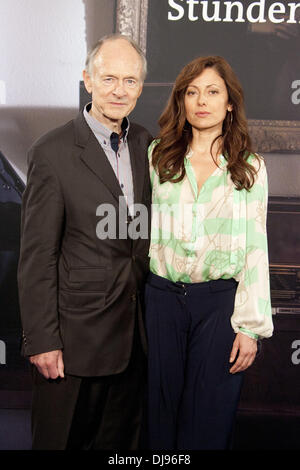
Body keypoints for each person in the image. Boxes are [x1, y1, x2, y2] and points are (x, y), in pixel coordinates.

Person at [17, 34, 152, 450]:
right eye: (108, 78)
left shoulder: (149, 145)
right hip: (73, 344)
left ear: (141, 87)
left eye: (130, 81)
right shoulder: (52, 151)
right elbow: (38, 255)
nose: (119, 90)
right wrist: (42, 340)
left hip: (135, 340)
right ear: (87, 79)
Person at [145, 56, 274, 450]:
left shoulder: (248, 168)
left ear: (230, 102)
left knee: (208, 421)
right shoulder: (157, 156)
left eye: (213, 91)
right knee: (157, 418)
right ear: (181, 100)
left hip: (218, 304)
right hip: (161, 300)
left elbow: (256, 248)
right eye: (192, 91)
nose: (202, 100)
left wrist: (250, 328)